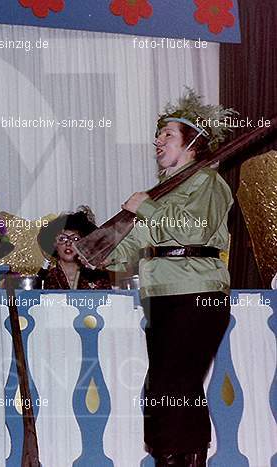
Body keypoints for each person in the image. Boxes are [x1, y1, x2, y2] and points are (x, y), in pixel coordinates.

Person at [104, 89, 235, 467]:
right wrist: (98, 252)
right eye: (158, 135)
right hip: (162, 294)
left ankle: (180, 460)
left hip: (196, 293)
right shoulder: (165, 191)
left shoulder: (207, 181)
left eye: (168, 135)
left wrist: (144, 206)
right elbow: (142, 241)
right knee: (167, 387)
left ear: (192, 143)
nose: (157, 141)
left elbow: (192, 231)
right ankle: (176, 459)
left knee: (174, 385)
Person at [36, 208, 111, 290]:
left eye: (75, 239)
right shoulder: (43, 278)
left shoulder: (98, 277)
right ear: (54, 244)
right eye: (62, 239)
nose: (68, 244)